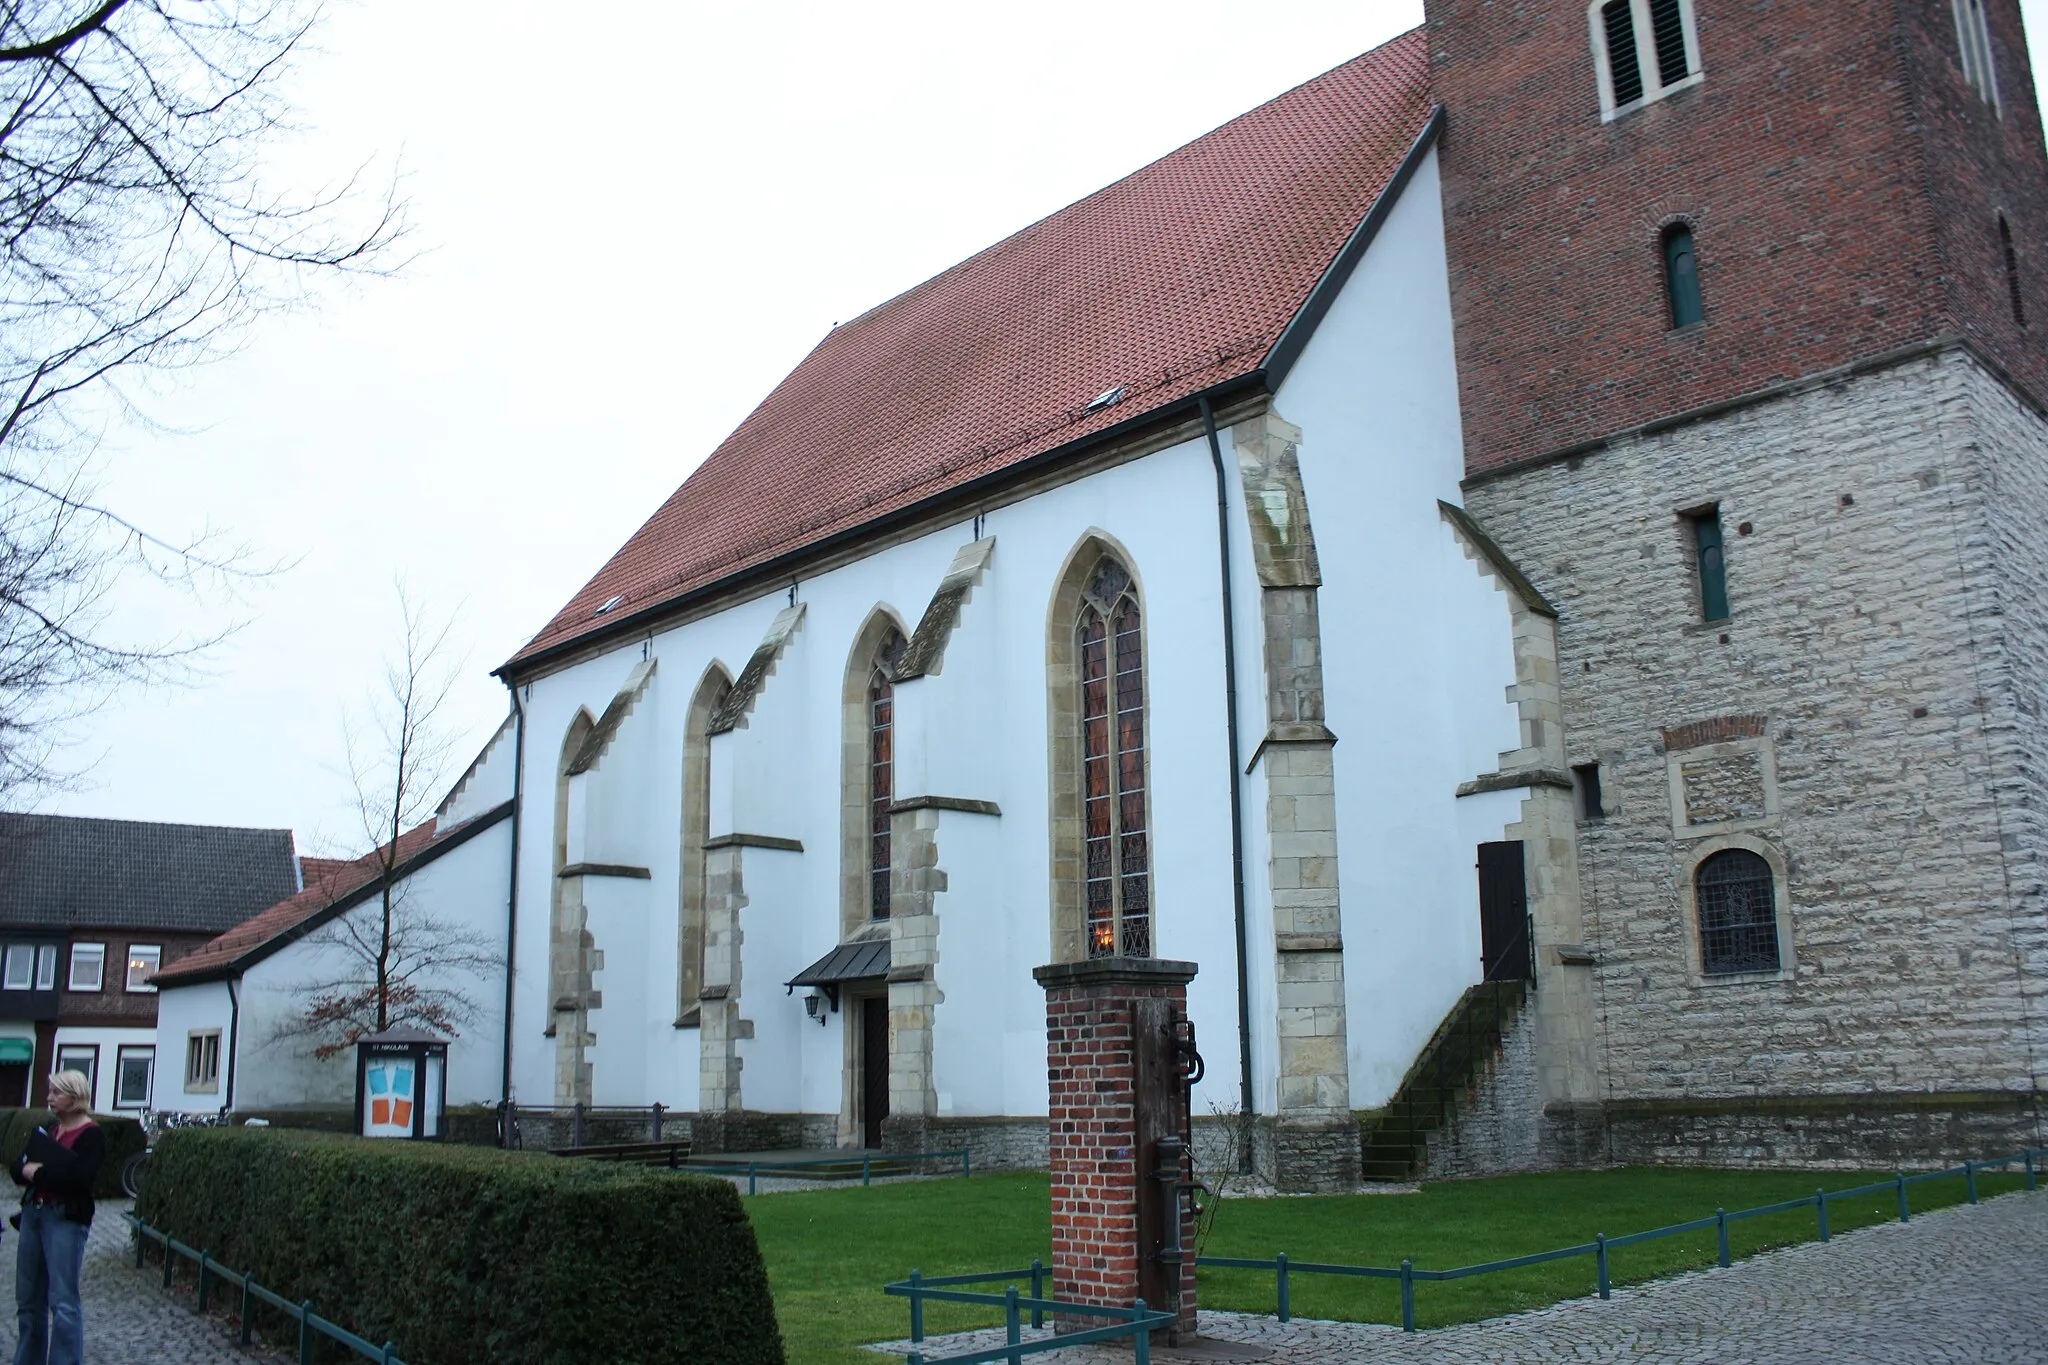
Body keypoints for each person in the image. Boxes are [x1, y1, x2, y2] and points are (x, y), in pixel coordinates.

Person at [10, 1071, 101, 1365]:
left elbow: (78, 1179)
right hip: (34, 1215)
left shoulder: (91, 1135)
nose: (49, 1098)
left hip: (64, 1219)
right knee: (28, 1301)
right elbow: (17, 1167)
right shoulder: (50, 1130)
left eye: (56, 1093)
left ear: (74, 1098)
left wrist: (37, 1173)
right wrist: (33, 1172)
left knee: (62, 1302)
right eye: (50, 1092)